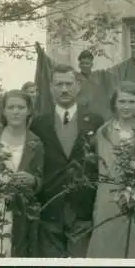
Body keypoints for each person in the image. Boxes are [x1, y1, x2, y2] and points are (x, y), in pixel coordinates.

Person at [30, 64, 105, 257]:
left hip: (83, 205)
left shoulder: (95, 121)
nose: (64, 89)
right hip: (50, 205)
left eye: (69, 84)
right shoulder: (38, 124)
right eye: (59, 84)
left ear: (78, 86)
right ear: (51, 88)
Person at [86, 81, 135, 258]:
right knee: (108, 241)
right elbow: (102, 166)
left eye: (131, 102)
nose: (126, 107)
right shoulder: (104, 132)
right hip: (109, 194)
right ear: (114, 103)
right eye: (122, 102)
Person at [0, 90, 44, 257]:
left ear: (29, 111)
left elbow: (40, 180)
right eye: (11, 107)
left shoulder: (36, 143)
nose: (16, 111)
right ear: (4, 111)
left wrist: (32, 180)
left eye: (21, 107)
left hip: (19, 213)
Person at [34, 43, 135, 121]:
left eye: (87, 63)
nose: (85, 66)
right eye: (82, 63)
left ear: (92, 64)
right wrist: (42, 56)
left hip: (99, 117)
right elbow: (54, 66)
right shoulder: (73, 77)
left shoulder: (102, 75)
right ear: (79, 65)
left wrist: (133, 60)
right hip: (78, 117)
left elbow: (118, 70)